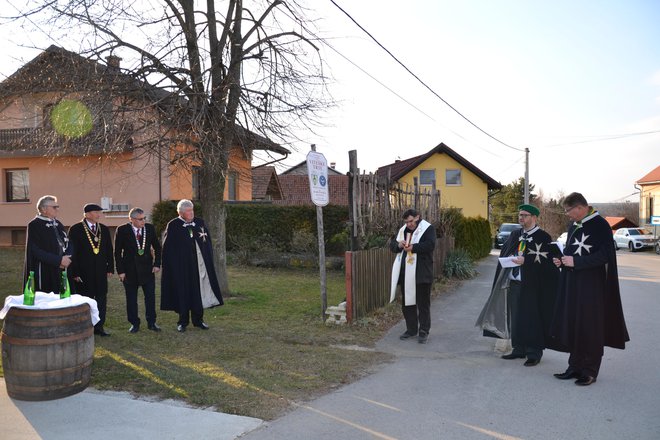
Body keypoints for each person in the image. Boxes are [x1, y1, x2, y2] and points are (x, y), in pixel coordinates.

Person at [550, 192, 629, 386]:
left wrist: (576, 262)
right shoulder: (574, 225)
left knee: (590, 328)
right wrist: (562, 261)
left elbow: (604, 256)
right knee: (574, 325)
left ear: (580, 207)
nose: (568, 215)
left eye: (569, 211)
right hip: (573, 284)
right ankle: (574, 366)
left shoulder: (601, 225)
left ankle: (590, 370)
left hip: (592, 286)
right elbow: (570, 251)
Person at [476, 204, 559, 366]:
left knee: (532, 318)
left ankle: (534, 352)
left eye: (525, 215)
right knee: (516, 318)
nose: (521, 218)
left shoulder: (543, 237)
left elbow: (547, 264)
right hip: (514, 283)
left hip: (533, 286)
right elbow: (506, 253)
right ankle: (518, 348)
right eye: (520, 215)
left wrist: (526, 261)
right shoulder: (515, 235)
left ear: (534, 217)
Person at [160, 199, 223, 332]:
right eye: (188, 211)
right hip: (182, 267)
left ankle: (198, 320)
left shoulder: (200, 223)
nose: (191, 213)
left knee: (198, 292)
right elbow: (168, 248)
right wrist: (171, 266)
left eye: (192, 210)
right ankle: (182, 322)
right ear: (180, 212)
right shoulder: (174, 225)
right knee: (183, 293)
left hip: (199, 265)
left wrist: (207, 259)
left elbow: (207, 242)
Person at [389, 209, 436, 344]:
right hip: (406, 273)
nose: (409, 224)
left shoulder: (428, 228)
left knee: (423, 304)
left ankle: (424, 331)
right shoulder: (403, 230)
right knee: (407, 303)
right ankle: (411, 329)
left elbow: (430, 245)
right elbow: (392, 245)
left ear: (418, 217)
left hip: (422, 272)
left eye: (411, 221)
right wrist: (399, 245)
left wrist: (413, 248)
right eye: (407, 222)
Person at [68, 203, 115, 336]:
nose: (99, 214)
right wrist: (75, 272)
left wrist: (110, 267)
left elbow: (108, 249)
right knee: (85, 299)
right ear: (87, 214)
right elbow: (72, 252)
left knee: (101, 299)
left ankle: (99, 327)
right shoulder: (76, 229)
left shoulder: (104, 229)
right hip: (83, 271)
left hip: (100, 270)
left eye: (99, 212)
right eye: (96, 212)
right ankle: (85, 327)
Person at [114, 208, 162, 333]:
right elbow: (117, 252)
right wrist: (120, 271)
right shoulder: (122, 230)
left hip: (147, 269)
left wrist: (157, 264)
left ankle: (152, 322)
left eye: (144, 218)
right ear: (132, 219)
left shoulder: (149, 228)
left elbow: (157, 247)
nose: (143, 221)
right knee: (131, 298)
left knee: (150, 298)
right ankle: (134, 323)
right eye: (140, 219)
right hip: (130, 270)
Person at [24, 195, 72, 294]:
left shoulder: (58, 223)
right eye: (54, 207)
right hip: (45, 270)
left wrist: (68, 258)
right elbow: (35, 250)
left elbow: (68, 242)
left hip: (62, 268)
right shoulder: (35, 225)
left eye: (57, 206)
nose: (57, 209)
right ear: (43, 209)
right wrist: (59, 260)